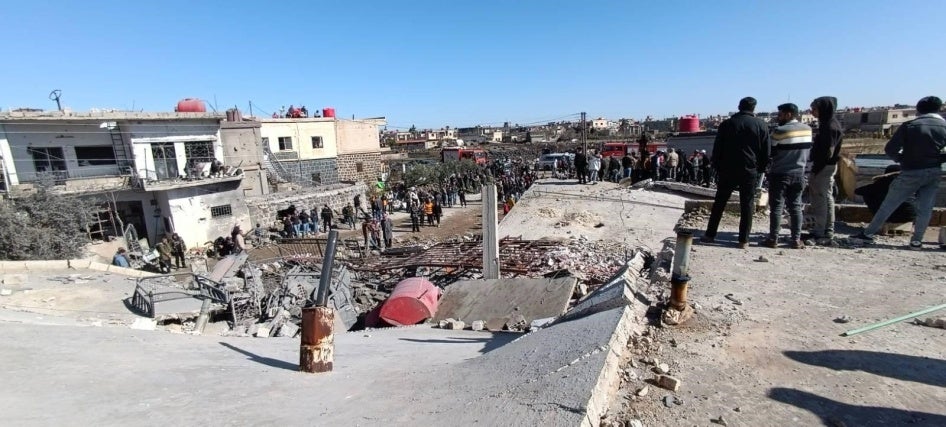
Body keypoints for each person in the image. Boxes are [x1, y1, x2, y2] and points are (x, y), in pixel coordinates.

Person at [854, 96, 946, 249]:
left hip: (911, 171)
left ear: (918, 109)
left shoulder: (911, 125)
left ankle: (868, 234)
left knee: (889, 204)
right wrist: (938, 159)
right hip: (934, 172)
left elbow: (890, 149)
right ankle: (916, 241)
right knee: (925, 208)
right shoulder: (943, 126)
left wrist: (903, 159)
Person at [702, 97, 771, 248]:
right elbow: (766, 151)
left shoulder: (727, 124)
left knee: (719, 203)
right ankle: (743, 240)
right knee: (747, 205)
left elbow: (718, 147)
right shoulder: (761, 125)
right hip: (749, 170)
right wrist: (760, 169)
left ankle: (710, 235)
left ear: (739, 107)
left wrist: (717, 167)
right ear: (754, 109)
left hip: (728, 169)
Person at [762, 103, 812, 249]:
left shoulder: (780, 131)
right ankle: (796, 239)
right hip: (799, 173)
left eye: (780, 114)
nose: (778, 117)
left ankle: (773, 239)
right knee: (796, 207)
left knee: (777, 207)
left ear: (789, 114)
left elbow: (771, 150)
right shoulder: (807, 130)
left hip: (780, 173)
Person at [807, 96, 844, 245]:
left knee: (820, 199)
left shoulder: (830, 127)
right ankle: (827, 230)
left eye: (814, 109)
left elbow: (827, 152)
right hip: (824, 166)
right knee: (826, 198)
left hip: (824, 167)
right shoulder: (827, 124)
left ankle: (820, 231)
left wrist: (816, 169)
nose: (812, 112)